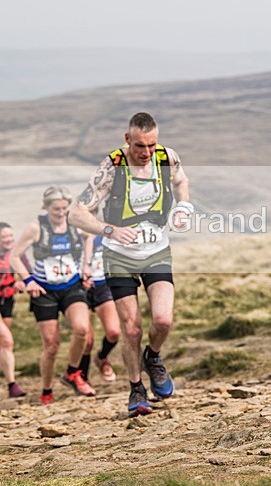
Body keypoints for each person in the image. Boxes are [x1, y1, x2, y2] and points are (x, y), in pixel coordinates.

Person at [69, 112, 191, 417]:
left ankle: (154, 357)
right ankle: (137, 388)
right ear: (127, 139)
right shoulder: (110, 168)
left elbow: (181, 179)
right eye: (140, 145)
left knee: (163, 320)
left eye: (151, 144)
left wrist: (184, 206)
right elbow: (77, 213)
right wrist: (110, 229)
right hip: (118, 255)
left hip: (157, 250)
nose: (146, 152)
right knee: (132, 329)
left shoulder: (167, 158)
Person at [10, 187, 95, 404]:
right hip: (44, 290)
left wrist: (86, 265)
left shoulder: (74, 223)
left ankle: (72, 372)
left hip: (71, 285)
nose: (60, 212)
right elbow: (15, 256)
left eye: (64, 208)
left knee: (82, 329)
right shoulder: (36, 227)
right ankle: (46, 390)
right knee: (51, 345)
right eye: (56, 209)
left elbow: (90, 236)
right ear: (46, 207)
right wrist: (28, 280)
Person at [79, 233, 121, 383]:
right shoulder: (68, 233)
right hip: (78, 286)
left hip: (103, 284)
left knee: (114, 332)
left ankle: (101, 357)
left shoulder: (105, 231)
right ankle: (82, 379)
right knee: (86, 340)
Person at [0, 223, 29, 398]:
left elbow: (27, 274)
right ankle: (12, 384)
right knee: (6, 340)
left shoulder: (17, 253)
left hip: (7, 301)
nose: (8, 239)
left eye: (10, 236)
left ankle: (10, 386)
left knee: (3, 344)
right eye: (4, 237)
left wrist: (20, 283)